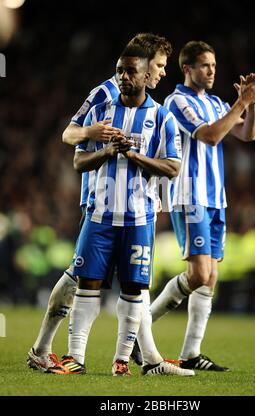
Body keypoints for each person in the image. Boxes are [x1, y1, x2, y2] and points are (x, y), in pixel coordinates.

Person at [27, 33, 172, 372]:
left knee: (134, 284)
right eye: (161, 65)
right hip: (102, 203)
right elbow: (69, 134)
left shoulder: (148, 104)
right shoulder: (106, 92)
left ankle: (148, 357)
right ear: (145, 63)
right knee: (81, 277)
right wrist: (94, 134)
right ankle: (43, 347)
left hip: (130, 205)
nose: (163, 72)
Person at [148, 40, 255, 371]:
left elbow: (247, 134)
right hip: (189, 194)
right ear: (187, 68)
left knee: (211, 276)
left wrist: (252, 104)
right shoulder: (176, 102)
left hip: (215, 197)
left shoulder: (216, 102)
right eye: (205, 66)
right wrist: (240, 103)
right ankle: (140, 329)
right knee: (199, 273)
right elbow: (211, 136)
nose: (212, 71)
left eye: (214, 65)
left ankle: (190, 353)